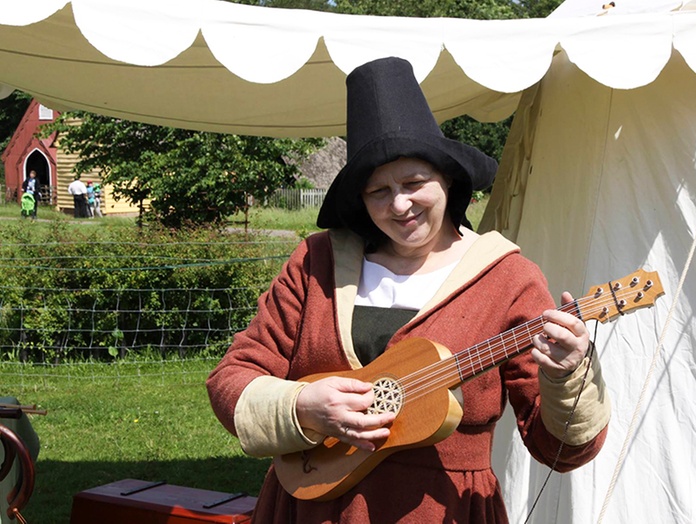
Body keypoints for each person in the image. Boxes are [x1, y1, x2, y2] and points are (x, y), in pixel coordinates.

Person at [207, 57, 611, 524]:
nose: (399, 205)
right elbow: (232, 378)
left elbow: (560, 450)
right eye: (377, 191)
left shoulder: (507, 278)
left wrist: (565, 376)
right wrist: (304, 406)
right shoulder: (317, 262)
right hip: (306, 507)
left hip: (442, 511)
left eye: (414, 183)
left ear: (448, 179)